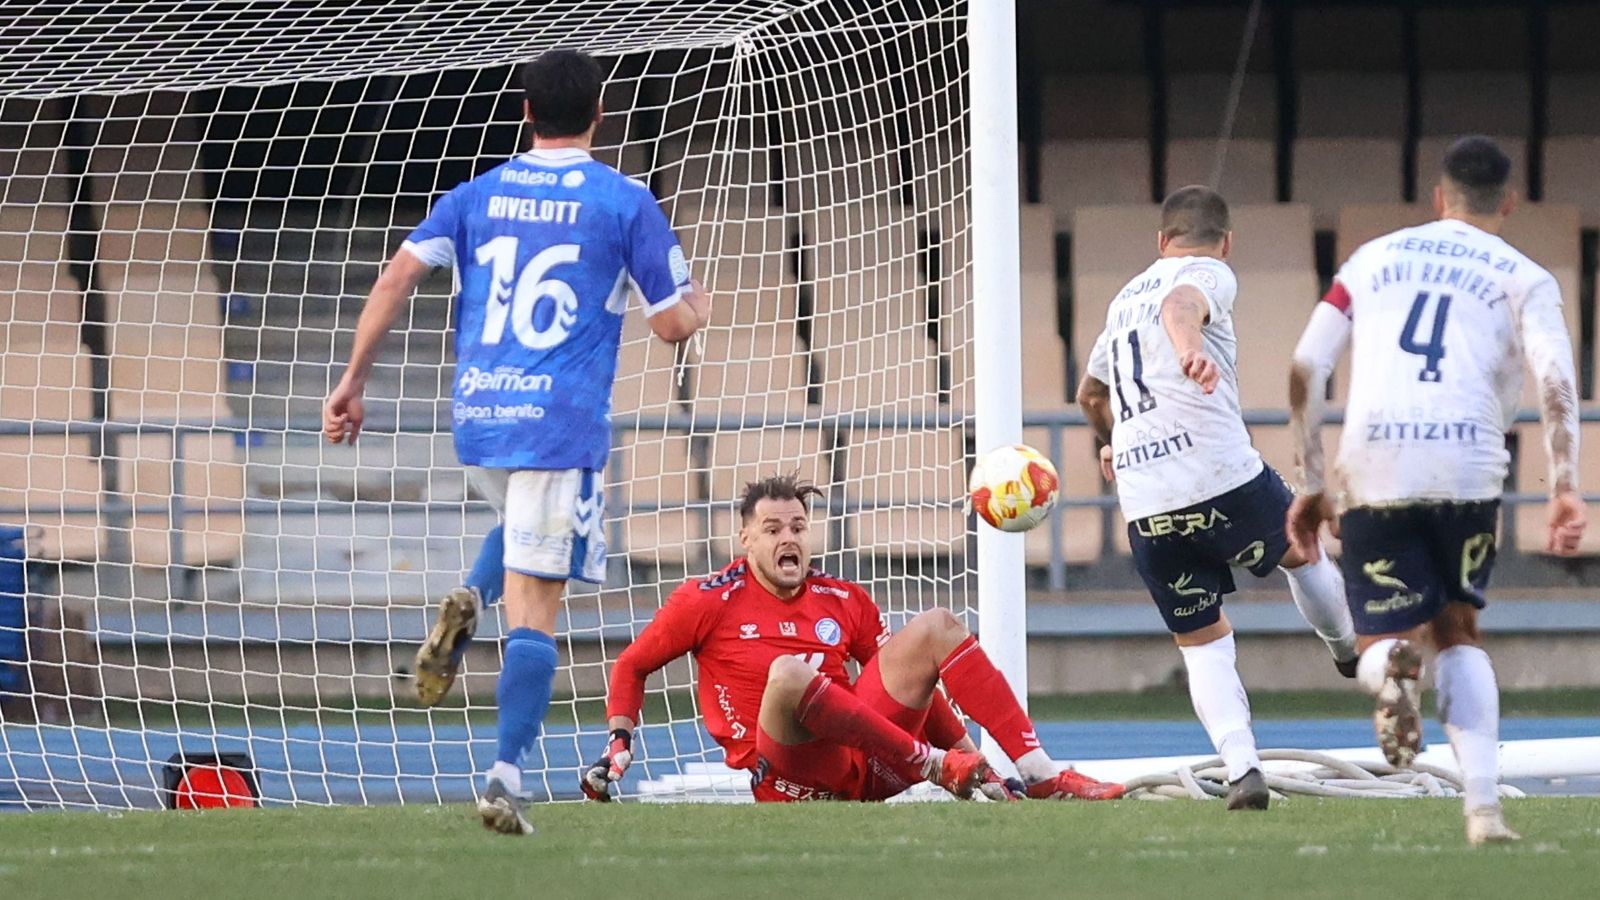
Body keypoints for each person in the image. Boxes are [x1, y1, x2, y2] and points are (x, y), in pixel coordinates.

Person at [321, 49, 709, 835]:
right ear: (600, 113)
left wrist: (352, 382)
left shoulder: (475, 193)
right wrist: (698, 303)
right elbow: (672, 323)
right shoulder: (624, 200)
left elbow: (394, 280)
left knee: (517, 527)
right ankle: (505, 774)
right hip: (558, 426)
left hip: (479, 418)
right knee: (535, 615)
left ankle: (472, 593)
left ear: (526, 112)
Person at [1286, 136, 1585, 846]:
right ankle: (1483, 812)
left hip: (1375, 465)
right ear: (1508, 202)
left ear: (1439, 197)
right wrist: (1565, 485)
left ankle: (1388, 669)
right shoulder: (1525, 276)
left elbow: (1305, 365)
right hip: (1467, 466)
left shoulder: (1371, 260)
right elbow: (1556, 379)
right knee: (1457, 631)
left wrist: (1312, 479)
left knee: (1380, 636)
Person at [580, 473, 1126, 804]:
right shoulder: (706, 599)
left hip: (872, 764)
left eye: (798, 527)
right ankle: (932, 764)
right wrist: (619, 743)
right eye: (773, 530)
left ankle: (1039, 772)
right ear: (745, 539)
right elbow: (631, 665)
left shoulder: (843, 598)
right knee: (788, 674)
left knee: (935, 625)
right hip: (792, 778)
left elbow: (915, 686)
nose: (789, 538)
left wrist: (967, 755)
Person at [1075, 186, 1359, 811]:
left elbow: (1090, 394)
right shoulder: (1209, 274)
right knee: (1302, 547)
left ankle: (1242, 768)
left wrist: (1111, 441)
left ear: (1161, 240)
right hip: (1217, 473)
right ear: (1225, 243)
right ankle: (1348, 651)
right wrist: (1189, 350)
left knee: (1202, 639)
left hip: (1146, 499)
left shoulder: (1121, 302)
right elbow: (1181, 305)